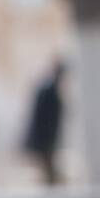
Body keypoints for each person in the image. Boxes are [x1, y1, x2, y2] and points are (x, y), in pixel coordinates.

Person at [23, 59, 66, 187]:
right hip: (45, 138)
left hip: (47, 138)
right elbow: (41, 117)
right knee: (47, 165)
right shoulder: (48, 90)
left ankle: (51, 185)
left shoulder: (50, 89)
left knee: (48, 165)